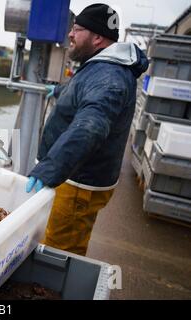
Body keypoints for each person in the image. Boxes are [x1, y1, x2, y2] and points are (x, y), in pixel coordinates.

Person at [26, 3, 149, 256]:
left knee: (58, 253)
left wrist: (50, 167)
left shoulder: (109, 76)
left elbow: (91, 125)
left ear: (97, 37)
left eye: (77, 29)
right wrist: (60, 91)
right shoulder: (101, 66)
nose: (70, 34)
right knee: (50, 241)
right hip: (74, 176)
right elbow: (83, 90)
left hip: (78, 183)